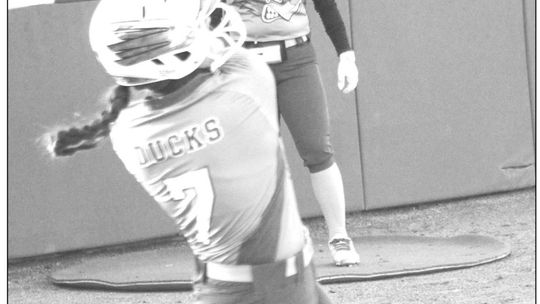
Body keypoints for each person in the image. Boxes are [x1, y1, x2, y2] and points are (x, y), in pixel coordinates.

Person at [44, 0, 332, 303]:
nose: (205, 29)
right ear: (170, 56)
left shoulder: (126, 132)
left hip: (228, 286)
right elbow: (231, 43)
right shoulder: (245, 86)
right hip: (273, 288)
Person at [224, 0, 360, 266]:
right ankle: (264, 240)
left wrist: (346, 54)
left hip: (296, 57)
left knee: (318, 149)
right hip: (245, 59)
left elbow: (325, 5)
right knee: (257, 157)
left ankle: (339, 236)